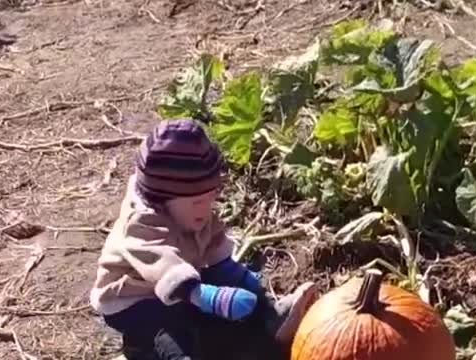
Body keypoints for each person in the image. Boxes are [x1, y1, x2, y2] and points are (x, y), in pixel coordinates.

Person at [89, 119, 318, 360]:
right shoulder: (141, 224)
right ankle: (147, 350)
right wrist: (207, 297)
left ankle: (269, 316)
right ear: (162, 198)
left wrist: (235, 275)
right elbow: (164, 266)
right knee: (169, 332)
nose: (206, 208)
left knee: (227, 299)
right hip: (135, 300)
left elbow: (213, 243)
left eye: (210, 198)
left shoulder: (192, 209)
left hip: (186, 284)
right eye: (198, 202)